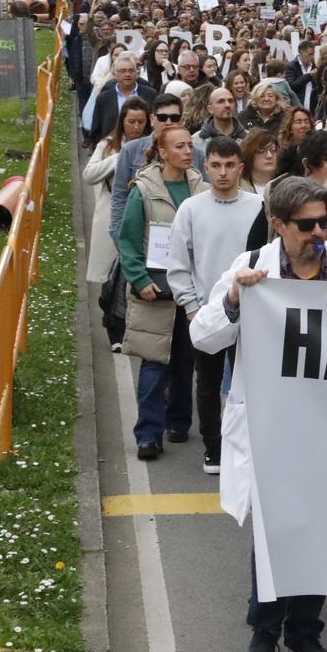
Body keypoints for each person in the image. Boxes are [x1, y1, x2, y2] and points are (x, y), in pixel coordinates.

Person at [188, 175, 327, 652]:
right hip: (270, 425)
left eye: (325, 222)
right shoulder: (250, 268)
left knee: (320, 530)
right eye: (307, 225)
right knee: (272, 532)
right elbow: (204, 338)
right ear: (279, 224)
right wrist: (236, 303)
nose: (319, 233)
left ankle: (305, 632)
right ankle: (264, 632)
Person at [166, 137, 263, 475]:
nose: (223, 173)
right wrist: (192, 309)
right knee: (206, 383)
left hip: (254, 314)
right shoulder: (190, 209)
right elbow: (178, 264)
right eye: (216, 165)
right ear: (205, 167)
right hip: (208, 312)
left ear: (241, 167)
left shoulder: (259, 207)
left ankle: (249, 447)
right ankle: (214, 448)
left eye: (230, 165)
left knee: (250, 384)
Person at [117, 123, 203, 461]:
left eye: (189, 146)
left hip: (191, 289)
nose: (187, 152)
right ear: (163, 152)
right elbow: (128, 239)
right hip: (156, 289)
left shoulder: (200, 187)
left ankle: (179, 421)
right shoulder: (143, 190)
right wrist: (138, 279)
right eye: (179, 146)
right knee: (154, 364)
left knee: (185, 359)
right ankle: (148, 434)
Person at [84, 95, 150, 293]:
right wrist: (118, 160)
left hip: (143, 212)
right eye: (131, 122)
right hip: (111, 209)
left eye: (141, 122)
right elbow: (89, 175)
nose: (136, 127)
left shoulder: (152, 146)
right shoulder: (108, 145)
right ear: (122, 122)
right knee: (110, 272)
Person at [85, 52, 143, 145]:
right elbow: (96, 128)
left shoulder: (149, 94)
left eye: (131, 71)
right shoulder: (103, 98)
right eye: (122, 71)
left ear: (136, 73)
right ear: (115, 74)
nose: (127, 74)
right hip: (110, 149)